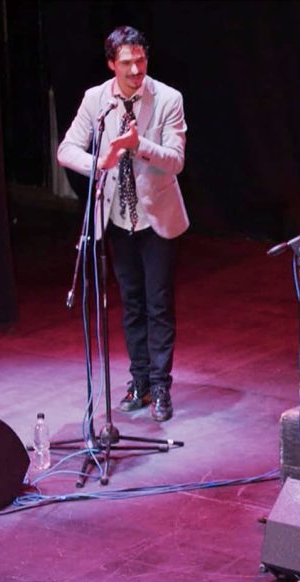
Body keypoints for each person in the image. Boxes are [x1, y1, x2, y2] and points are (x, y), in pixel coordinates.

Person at [58, 26, 188, 422]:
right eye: (127, 63)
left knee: (158, 303)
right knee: (131, 304)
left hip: (156, 217)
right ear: (112, 64)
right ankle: (140, 382)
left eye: (141, 60)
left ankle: (161, 384)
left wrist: (138, 145)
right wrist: (98, 164)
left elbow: (176, 159)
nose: (136, 70)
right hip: (116, 217)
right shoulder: (96, 100)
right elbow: (66, 149)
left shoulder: (167, 98)